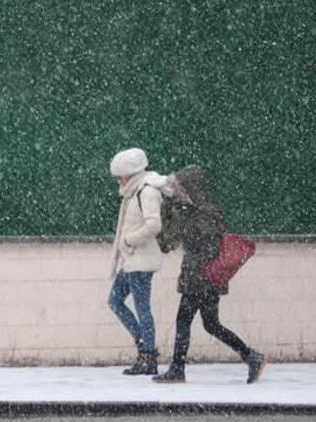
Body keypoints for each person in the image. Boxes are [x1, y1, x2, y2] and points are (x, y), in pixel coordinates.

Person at [153, 165, 266, 384]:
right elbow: (171, 238)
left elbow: (209, 248)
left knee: (184, 321)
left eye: (178, 186)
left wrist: (195, 268)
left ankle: (177, 369)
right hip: (201, 278)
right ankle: (251, 356)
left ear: (190, 187)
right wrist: (169, 206)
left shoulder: (206, 213)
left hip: (201, 279)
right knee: (211, 324)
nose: (176, 190)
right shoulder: (194, 210)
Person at [107, 148, 168, 375]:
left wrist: (129, 241)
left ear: (130, 172)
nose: (118, 179)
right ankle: (144, 347)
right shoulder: (133, 191)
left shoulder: (147, 191)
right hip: (131, 260)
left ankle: (148, 356)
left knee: (142, 308)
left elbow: (154, 225)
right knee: (115, 301)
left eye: (120, 174)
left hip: (141, 260)